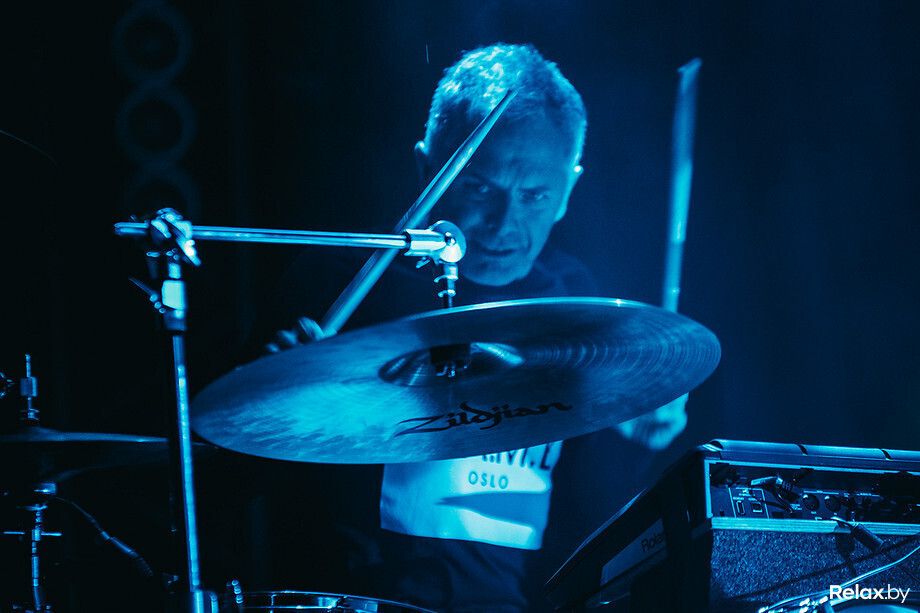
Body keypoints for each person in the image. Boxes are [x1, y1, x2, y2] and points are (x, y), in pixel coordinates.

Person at [251, 43, 686, 612]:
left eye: (535, 196)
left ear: (569, 190)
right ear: (427, 170)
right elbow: (218, 482)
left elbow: (587, 525)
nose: (505, 224)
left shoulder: (576, 307)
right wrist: (275, 404)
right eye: (480, 188)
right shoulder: (341, 284)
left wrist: (637, 440)